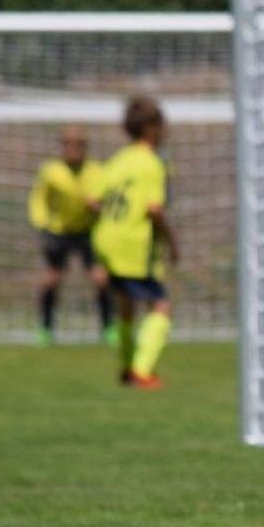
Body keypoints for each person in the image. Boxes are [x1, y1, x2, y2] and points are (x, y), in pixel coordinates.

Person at [91, 97, 179, 390]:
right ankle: (142, 371)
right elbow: (154, 209)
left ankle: (127, 368)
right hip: (133, 244)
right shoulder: (151, 162)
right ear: (152, 128)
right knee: (160, 306)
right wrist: (172, 241)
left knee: (126, 306)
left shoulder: (117, 160)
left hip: (107, 240)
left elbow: (92, 199)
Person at [29, 125, 112, 346]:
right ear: (62, 146)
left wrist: (98, 206)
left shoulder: (96, 170)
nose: (73, 149)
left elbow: (105, 198)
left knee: (101, 279)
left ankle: (108, 328)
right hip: (59, 231)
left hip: (88, 231)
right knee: (52, 280)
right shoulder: (51, 171)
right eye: (69, 145)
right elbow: (38, 199)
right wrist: (42, 224)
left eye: (78, 145)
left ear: (85, 147)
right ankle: (45, 329)